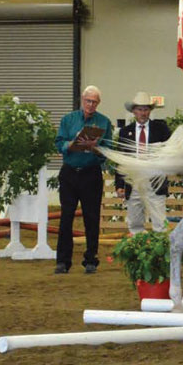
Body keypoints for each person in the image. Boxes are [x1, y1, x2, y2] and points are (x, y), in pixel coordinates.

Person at [54, 85, 113, 274]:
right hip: (70, 172)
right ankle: (63, 261)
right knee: (66, 217)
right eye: (88, 101)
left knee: (92, 217)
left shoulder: (104, 122)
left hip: (91, 172)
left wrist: (95, 147)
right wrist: (70, 144)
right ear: (82, 100)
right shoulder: (68, 119)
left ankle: (90, 260)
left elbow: (108, 150)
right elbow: (58, 142)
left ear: (98, 103)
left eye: (95, 102)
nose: (91, 105)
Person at [115, 91, 171, 234]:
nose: (143, 113)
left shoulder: (162, 129)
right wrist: (120, 184)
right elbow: (121, 159)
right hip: (133, 182)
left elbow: (169, 153)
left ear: (150, 111)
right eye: (139, 109)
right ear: (134, 111)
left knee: (160, 223)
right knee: (134, 223)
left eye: (146, 109)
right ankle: (138, 252)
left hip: (155, 181)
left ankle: (160, 254)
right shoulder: (125, 132)